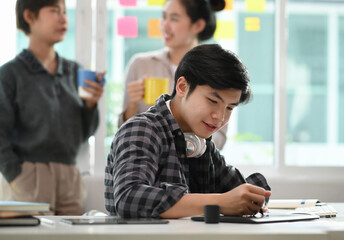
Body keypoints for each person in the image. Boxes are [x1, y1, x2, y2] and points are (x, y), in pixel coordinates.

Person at [105, 44, 271, 219]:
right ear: (182, 87)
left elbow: (240, 190)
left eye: (229, 108)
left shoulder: (199, 141)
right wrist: (219, 203)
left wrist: (253, 198)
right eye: (213, 101)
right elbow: (129, 198)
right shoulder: (142, 129)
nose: (220, 117)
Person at [0, 0, 104, 215]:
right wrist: (16, 175)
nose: (64, 19)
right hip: (28, 176)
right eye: (54, 11)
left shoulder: (74, 71)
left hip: (70, 177)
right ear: (29, 16)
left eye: (65, 12)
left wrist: (91, 106)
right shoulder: (10, 74)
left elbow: (85, 135)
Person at [119, 0, 228, 149]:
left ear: (198, 25)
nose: (164, 25)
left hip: (193, 169)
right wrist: (132, 104)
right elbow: (124, 134)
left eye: (174, 19)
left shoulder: (215, 72)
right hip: (145, 164)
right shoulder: (140, 64)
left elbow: (219, 139)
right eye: (164, 17)